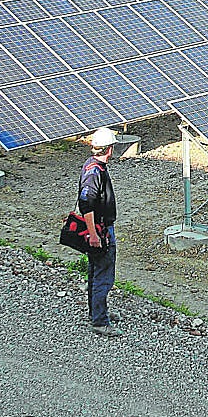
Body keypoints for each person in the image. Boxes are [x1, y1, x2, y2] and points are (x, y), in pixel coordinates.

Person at [79, 126, 121, 337]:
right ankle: (99, 321)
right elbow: (86, 204)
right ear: (110, 149)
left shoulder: (91, 166)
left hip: (98, 229)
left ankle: (97, 312)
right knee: (103, 276)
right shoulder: (95, 172)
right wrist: (94, 234)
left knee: (95, 274)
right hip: (100, 231)